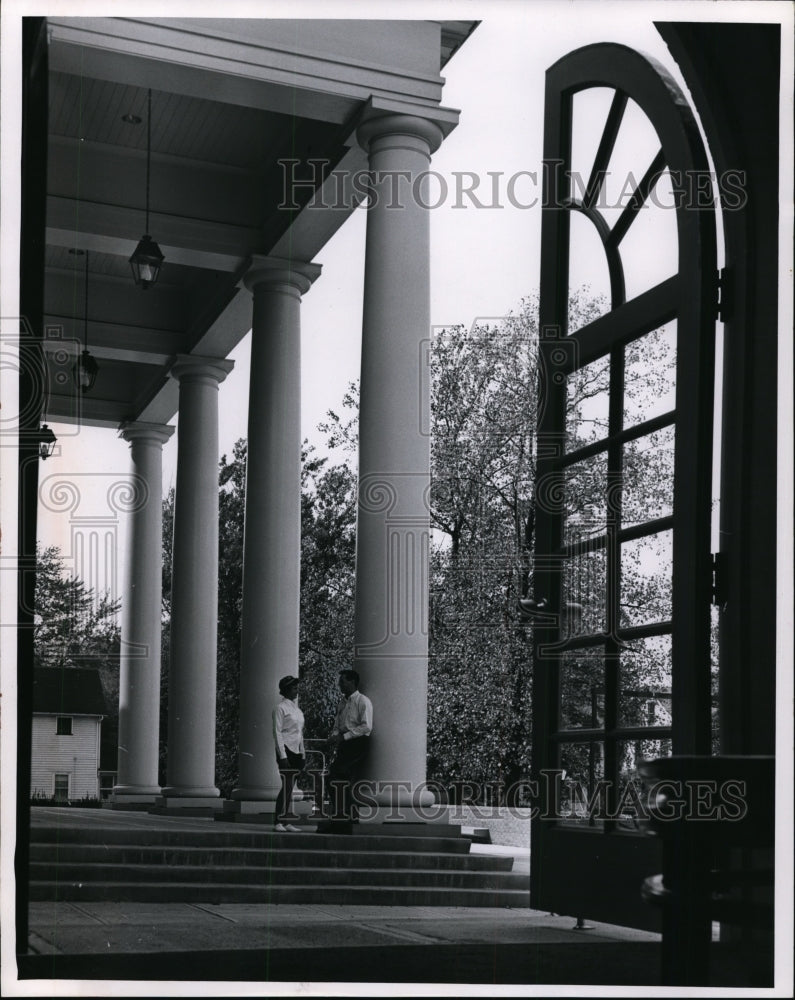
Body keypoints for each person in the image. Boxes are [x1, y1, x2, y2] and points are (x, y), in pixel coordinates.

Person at [327, 669, 373, 821]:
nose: (340, 684)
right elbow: (337, 724)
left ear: (352, 682)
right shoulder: (342, 702)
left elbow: (366, 727)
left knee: (336, 775)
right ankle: (343, 812)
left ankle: (346, 813)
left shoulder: (363, 701)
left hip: (357, 744)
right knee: (336, 778)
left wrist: (344, 737)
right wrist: (334, 737)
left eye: (343, 681)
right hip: (345, 744)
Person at [272, 674, 305, 833]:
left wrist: (303, 753)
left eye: (297, 687)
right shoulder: (280, 708)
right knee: (287, 786)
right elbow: (277, 732)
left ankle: (286, 821)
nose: (296, 690)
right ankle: (278, 820)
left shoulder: (296, 709)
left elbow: (300, 732)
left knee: (291, 787)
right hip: (286, 749)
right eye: (293, 687)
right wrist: (283, 756)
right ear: (286, 690)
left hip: (297, 750)